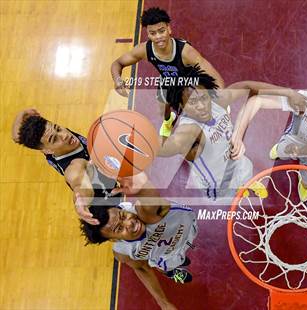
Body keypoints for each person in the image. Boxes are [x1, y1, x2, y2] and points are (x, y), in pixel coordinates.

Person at [158, 65, 307, 201]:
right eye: (192, 102)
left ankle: (246, 186)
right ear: (181, 106)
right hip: (220, 185)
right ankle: (166, 126)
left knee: (245, 170)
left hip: (237, 162)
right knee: (235, 204)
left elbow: (246, 86)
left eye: (203, 98)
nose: (201, 106)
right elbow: (164, 148)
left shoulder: (218, 101)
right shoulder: (189, 130)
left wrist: (288, 93)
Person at [232, 69, 307, 202]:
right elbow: (257, 101)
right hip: (292, 142)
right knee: (280, 151)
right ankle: (279, 150)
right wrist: (238, 136)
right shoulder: (303, 99)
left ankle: (305, 183)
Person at [11, 109, 146, 224]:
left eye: (58, 128)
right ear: (46, 151)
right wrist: (80, 201)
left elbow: (16, 137)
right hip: (105, 199)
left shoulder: (54, 136)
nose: (64, 136)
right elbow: (79, 183)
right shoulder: (72, 166)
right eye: (54, 139)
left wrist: (23, 113)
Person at [80, 182, 197, 310]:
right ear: (114, 239)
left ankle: (174, 263)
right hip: (166, 255)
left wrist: (140, 184)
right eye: (119, 228)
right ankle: (171, 272)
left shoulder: (144, 211)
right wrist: (164, 304)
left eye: (123, 216)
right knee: (162, 265)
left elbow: (150, 197)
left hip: (187, 229)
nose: (129, 223)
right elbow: (142, 268)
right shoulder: (123, 252)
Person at [111, 7, 224, 137]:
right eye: (153, 33)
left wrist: (221, 100)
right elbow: (117, 63)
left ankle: (211, 118)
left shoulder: (186, 52)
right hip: (169, 81)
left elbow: (215, 77)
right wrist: (118, 80)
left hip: (192, 82)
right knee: (162, 110)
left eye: (161, 31)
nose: (158, 37)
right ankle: (168, 120)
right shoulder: (144, 50)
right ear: (148, 34)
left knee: (198, 111)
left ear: (169, 29)